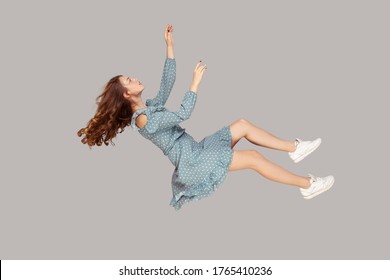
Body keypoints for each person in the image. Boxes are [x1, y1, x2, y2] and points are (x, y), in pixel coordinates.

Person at [77, 24, 335, 210]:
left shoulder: (149, 108)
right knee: (255, 159)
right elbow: (183, 113)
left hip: (197, 150)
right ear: (125, 94)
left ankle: (294, 148)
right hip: (194, 162)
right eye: (129, 80)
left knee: (242, 124)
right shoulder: (144, 121)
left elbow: (167, 84)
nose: (134, 78)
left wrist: (170, 48)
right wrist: (196, 83)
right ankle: (306, 184)